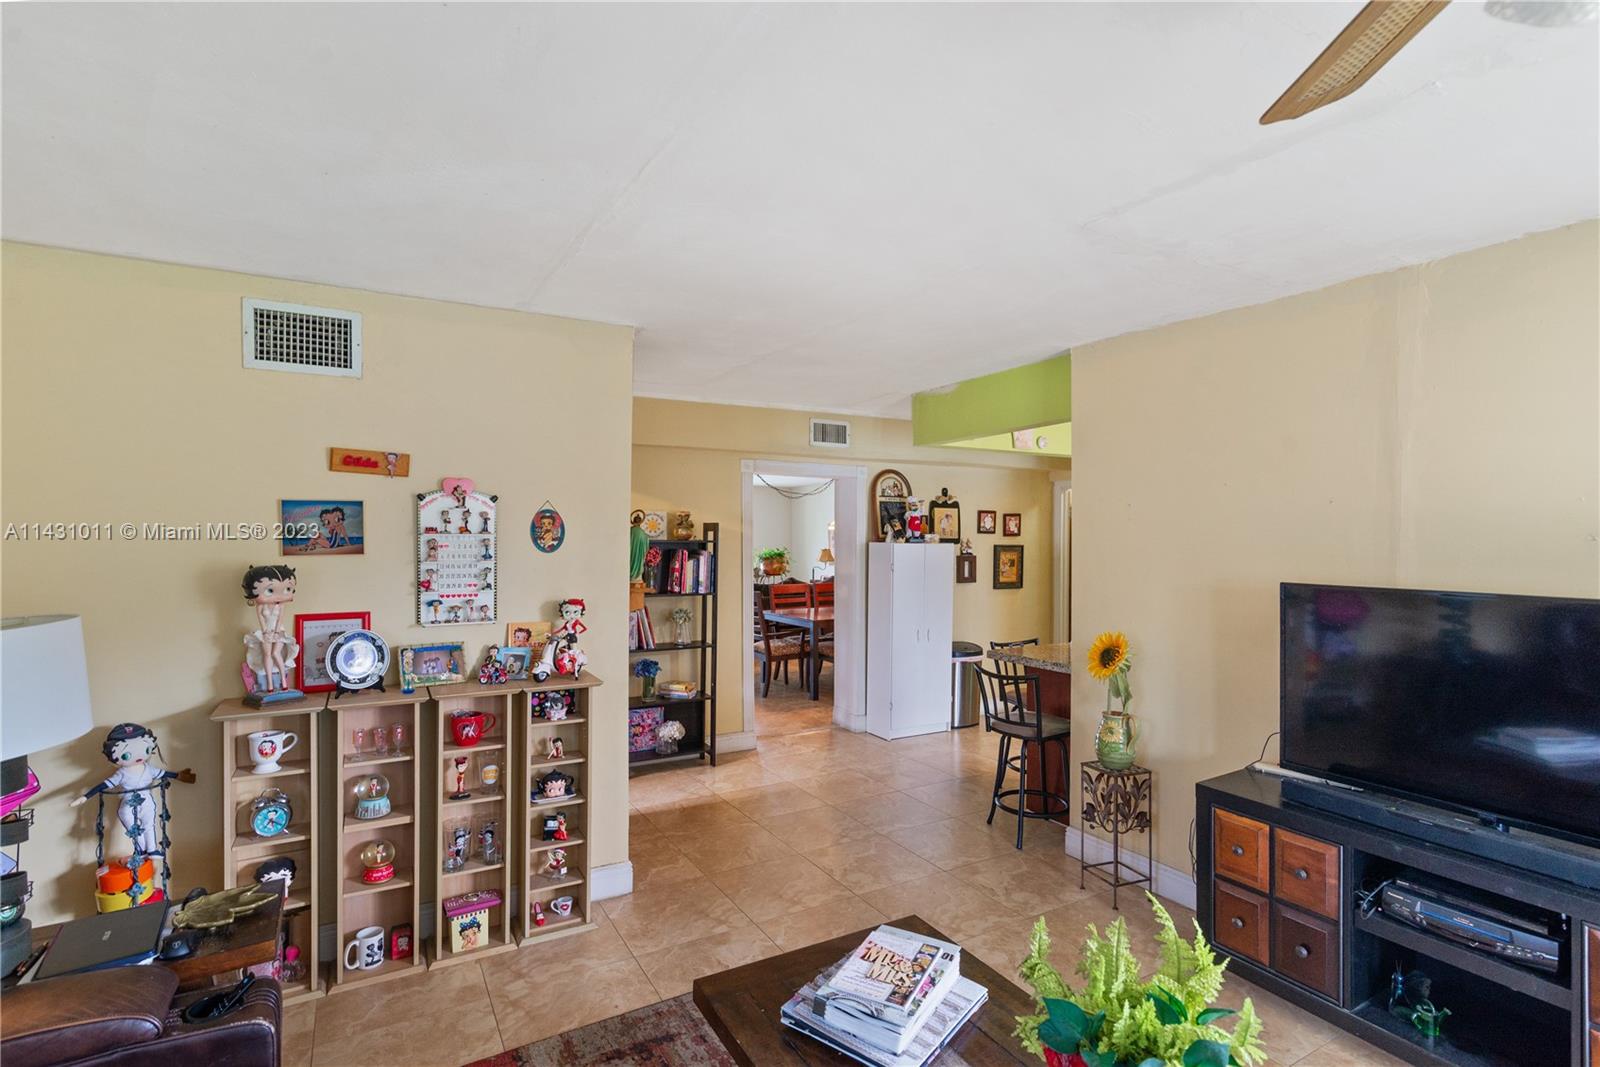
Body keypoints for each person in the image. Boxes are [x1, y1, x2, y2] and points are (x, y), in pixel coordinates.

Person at [71, 724, 195, 859]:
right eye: (126, 755)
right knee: (130, 823)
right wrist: (86, 796)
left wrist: (179, 776)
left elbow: (164, 773)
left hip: (146, 799)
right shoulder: (121, 773)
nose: (137, 757)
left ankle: (152, 849)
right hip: (129, 799)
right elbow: (104, 785)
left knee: (149, 824)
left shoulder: (148, 768)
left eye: (146, 749)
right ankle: (141, 849)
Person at [242, 564, 298, 694]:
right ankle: (270, 684)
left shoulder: (281, 606)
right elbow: (261, 619)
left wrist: (277, 632)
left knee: (275, 653)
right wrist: (265, 632)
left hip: (279, 630)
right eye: (270, 591)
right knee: (267, 655)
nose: (278, 596)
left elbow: (280, 619)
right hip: (266, 631)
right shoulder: (261, 606)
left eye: (287, 589)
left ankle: (284, 682)